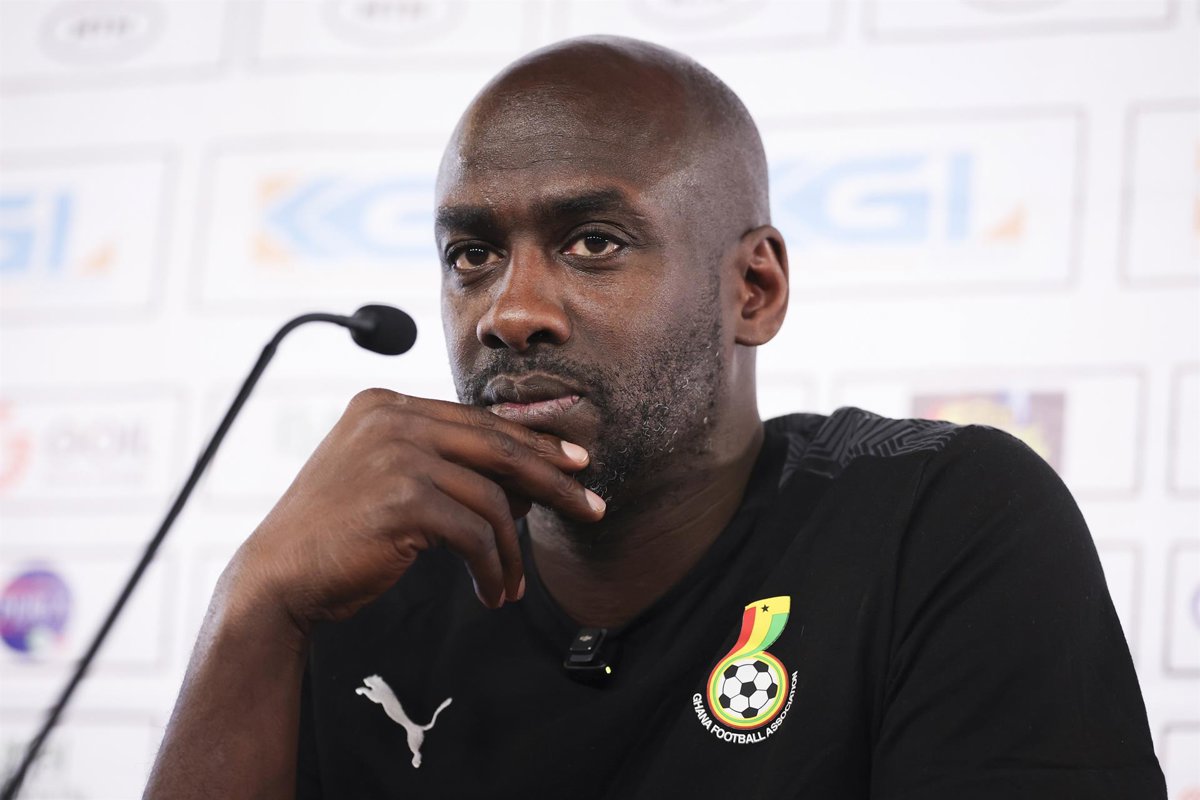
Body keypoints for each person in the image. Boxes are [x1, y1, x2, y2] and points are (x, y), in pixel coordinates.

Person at [145, 37, 1165, 799]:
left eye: (593, 242)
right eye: (472, 255)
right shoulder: (365, 579)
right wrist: (254, 605)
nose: (509, 312)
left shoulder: (944, 520)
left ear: (753, 289)